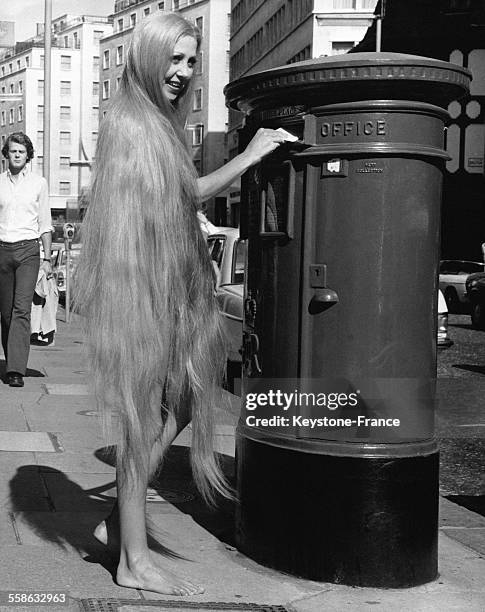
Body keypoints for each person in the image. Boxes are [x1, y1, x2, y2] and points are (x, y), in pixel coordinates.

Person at [75, 11, 286, 596]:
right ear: (148, 55)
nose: (184, 71)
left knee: (193, 395)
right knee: (142, 421)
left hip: (169, 281)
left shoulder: (154, 119)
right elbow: (183, 191)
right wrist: (251, 155)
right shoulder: (134, 119)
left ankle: (124, 515)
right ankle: (133, 561)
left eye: (192, 60)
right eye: (174, 58)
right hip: (144, 287)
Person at [0, 132, 53, 387]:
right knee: (6, 313)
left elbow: (45, 223)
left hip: (28, 252)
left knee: (22, 309)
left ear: (28, 155)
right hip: (2, 250)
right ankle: (13, 360)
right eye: (13, 151)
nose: (17, 155)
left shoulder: (38, 184)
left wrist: (47, 259)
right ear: (6, 154)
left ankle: (16, 370)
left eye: (21, 151)